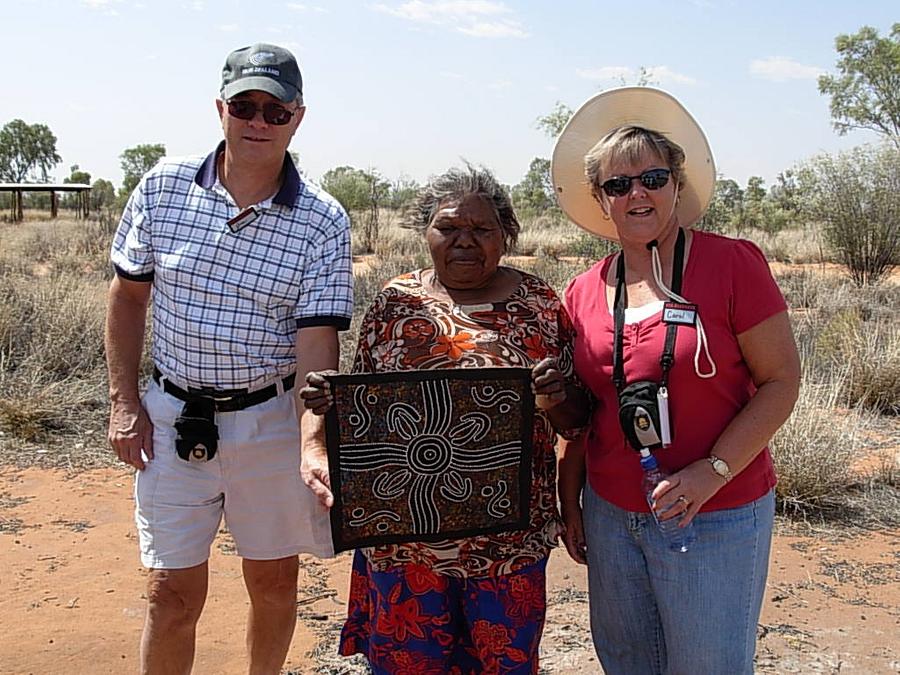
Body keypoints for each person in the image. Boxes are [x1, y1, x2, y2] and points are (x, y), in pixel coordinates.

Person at [105, 43, 352, 674]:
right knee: (170, 592)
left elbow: (317, 344)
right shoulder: (163, 188)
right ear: (221, 108)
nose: (258, 122)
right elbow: (128, 298)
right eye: (246, 105)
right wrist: (124, 404)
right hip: (171, 416)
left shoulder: (322, 220)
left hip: (270, 419)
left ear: (298, 118)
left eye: (275, 110)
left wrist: (312, 439)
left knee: (272, 583)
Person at [300, 164, 589, 674]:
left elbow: (577, 420)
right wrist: (332, 406)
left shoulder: (539, 304)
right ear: (424, 231)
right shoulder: (395, 303)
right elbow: (370, 420)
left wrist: (553, 398)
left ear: (507, 235)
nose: (464, 242)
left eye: (481, 229)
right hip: (403, 545)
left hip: (508, 545)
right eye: (449, 227)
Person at [551, 87, 801, 674]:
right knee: (628, 662)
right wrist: (571, 495)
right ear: (600, 199)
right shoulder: (584, 290)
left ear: (677, 185)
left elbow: (782, 381)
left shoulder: (732, 264)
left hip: (716, 512)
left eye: (652, 178)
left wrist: (710, 473)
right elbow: (586, 409)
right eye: (618, 184)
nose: (637, 193)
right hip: (613, 514)